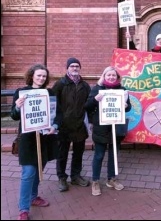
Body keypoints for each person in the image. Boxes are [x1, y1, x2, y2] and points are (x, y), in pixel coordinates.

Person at [10, 64, 62, 221]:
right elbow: (14, 116)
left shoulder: (50, 92)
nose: (41, 78)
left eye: (44, 76)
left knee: (39, 170)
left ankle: (33, 197)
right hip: (28, 140)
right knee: (28, 173)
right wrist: (18, 107)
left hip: (45, 139)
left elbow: (58, 114)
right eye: (39, 75)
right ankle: (23, 209)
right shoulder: (21, 93)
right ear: (32, 75)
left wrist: (55, 126)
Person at [84, 66, 132, 196]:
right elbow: (87, 106)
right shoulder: (97, 89)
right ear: (104, 76)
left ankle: (111, 179)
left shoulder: (122, 90)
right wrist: (95, 99)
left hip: (116, 128)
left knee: (113, 155)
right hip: (101, 128)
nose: (111, 77)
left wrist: (126, 106)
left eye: (113, 75)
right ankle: (95, 181)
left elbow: (128, 108)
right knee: (99, 155)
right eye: (108, 75)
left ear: (117, 77)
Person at [52, 57, 91, 192]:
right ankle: (62, 177)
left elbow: (89, 104)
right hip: (63, 126)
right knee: (62, 153)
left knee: (78, 153)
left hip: (79, 125)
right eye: (72, 66)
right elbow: (53, 104)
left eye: (77, 66)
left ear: (80, 68)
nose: (75, 68)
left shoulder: (85, 86)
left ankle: (76, 176)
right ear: (67, 68)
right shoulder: (60, 84)